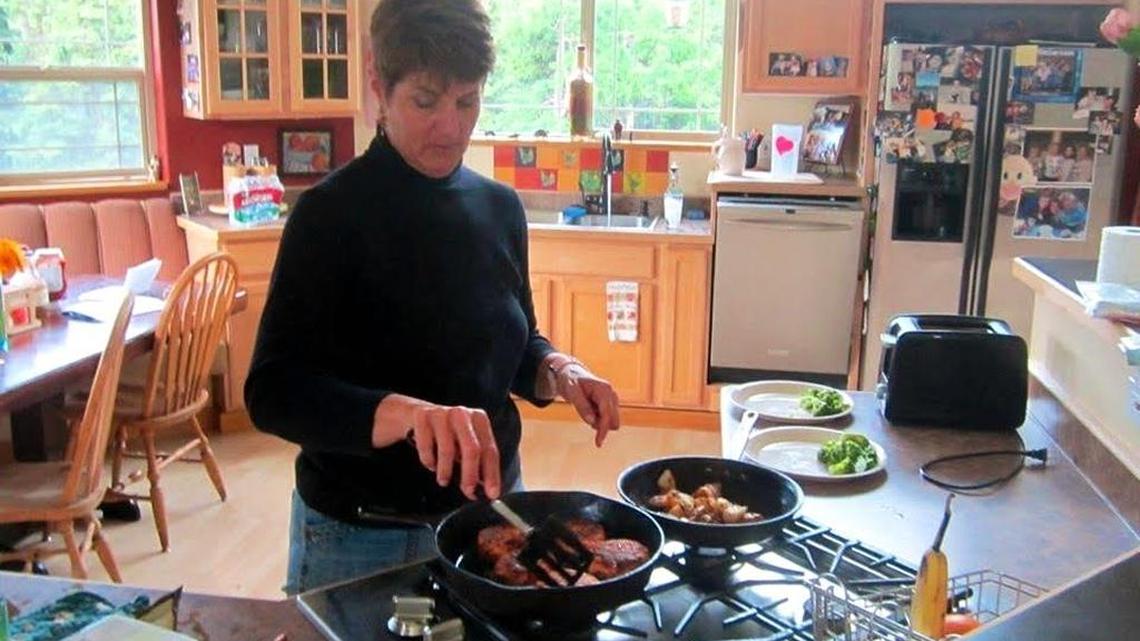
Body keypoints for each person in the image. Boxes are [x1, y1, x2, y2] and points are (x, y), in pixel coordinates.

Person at [245, 0, 621, 596]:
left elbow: (513, 344)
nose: (450, 126)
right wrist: (409, 414)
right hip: (362, 538)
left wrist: (560, 370)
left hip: (495, 522)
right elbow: (273, 392)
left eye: (466, 102)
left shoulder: (498, 209)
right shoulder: (329, 216)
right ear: (379, 86)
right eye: (426, 101)